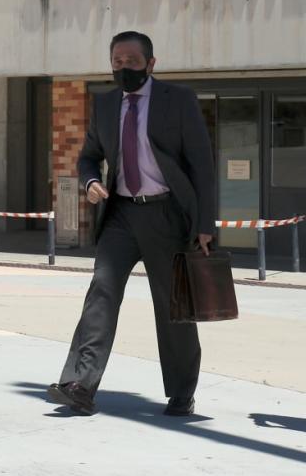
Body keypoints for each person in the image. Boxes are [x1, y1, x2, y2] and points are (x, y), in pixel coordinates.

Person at [48, 30, 216, 416]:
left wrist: (204, 224)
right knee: (101, 293)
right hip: (121, 214)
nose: (124, 68)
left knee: (172, 307)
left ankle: (181, 391)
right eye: (117, 62)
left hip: (166, 215)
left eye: (132, 62)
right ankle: (80, 384)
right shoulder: (105, 104)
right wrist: (90, 181)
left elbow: (202, 167)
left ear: (151, 64)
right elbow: (89, 155)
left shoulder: (179, 101)